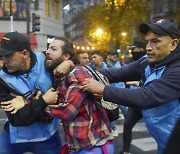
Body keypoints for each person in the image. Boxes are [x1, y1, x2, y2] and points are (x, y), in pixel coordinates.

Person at [80, 19, 180, 154]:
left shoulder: (177, 70)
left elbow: (147, 97)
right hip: (163, 140)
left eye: (155, 41)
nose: (148, 47)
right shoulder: (146, 63)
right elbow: (115, 73)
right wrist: (78, 72)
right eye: (147, 42)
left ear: (173, 44)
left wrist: (103, 89)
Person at [45, 37, 114, 153]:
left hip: (94, 145)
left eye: (53, 49)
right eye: (48, 48)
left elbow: (68, 112)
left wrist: (39, 104)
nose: (47, 51)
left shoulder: (77, 73)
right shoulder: (60, 75)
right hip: (80, 145)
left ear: (66, 56)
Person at [0, 31, 62, 154]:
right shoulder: (2, 78)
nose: (4, 60)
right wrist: (44, 100)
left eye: (9, 55)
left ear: (24, 53)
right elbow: (18, 119)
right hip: (14, 138)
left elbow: (74, 65)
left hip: (47, 137)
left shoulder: (45, 59)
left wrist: (68, 63)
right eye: (2, 56)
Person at [121, 40, 146, 154]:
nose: (132, 51)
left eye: (134, 49)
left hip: (148, 102)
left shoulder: (150, 62)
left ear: (141, 49)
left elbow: (155, 83)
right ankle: (126, 151)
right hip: (134, 102)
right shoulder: (132, 63)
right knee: (127, 125)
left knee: (158, 130)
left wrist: (136, 83)